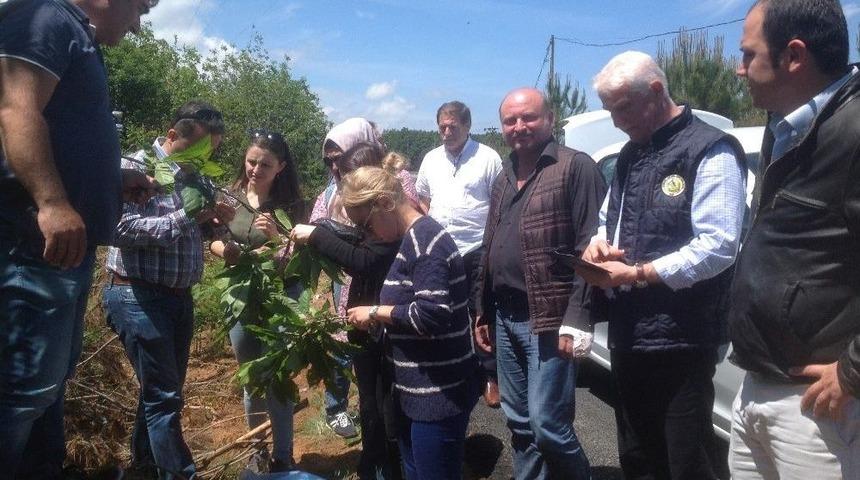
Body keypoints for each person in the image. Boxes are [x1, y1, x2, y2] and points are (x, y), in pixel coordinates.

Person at [0, 0, 159, 476]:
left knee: (48, 387)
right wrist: (51, 202)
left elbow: (67, 137)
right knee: (22, 392)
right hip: (34, 248)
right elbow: (14, 110)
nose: (138, 24)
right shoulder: (45, 17)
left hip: (63, 255)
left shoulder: (77, 36)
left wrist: (113, 180)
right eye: (140, 9)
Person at [581, 51, 747, 480]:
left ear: (655, 92)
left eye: (622, 108)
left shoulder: (709, 149)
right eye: (608, 110)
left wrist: (638, 274)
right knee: (637, 456)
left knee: (685, 462)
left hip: (682, 338)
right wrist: (599, 245)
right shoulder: (631, 155)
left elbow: (719, 245)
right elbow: (607, 219)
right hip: (628, 332)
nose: (615, 120)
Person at [729, 1, 860, 478]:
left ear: (794, 56)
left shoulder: (853, 130)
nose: (737, 67)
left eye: (747, 54)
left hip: (819, 405)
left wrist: (853, 371)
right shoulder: (784, 126)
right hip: (758, 381)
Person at [475, 87, 603, 479]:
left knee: (548, 425)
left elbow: (592, 249)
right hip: (505, 314)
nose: (519, 127)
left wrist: (577, 319)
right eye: (510, 120)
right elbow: (490, 242)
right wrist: (481, 310)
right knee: (519, 425)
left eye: (528, 117)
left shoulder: (575, 167)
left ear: (549, 119)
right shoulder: (505, 173)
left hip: (549, 318)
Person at [103, 101, 234, 480]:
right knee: (164, 398)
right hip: (137, 296)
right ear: (173, 135)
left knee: (161, 395)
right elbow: (120, 230)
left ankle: (144, 468)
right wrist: (187, 215)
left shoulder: (197, 177)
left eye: (211, 151)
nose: (203, 158)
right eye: (198, 150)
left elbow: (201, 231)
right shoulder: (136, 167)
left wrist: (216, 222)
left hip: (177, 298)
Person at [344, 166, 482, 480]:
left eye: (364, 225)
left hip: (438, 395)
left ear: (384, 203)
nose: (367, 235)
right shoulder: (411, 239)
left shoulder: (426, 242)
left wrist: (376, 312)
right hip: (417, 394)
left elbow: (432, 314)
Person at [291, 145, 406, 480]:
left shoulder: (392, 217)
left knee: (386, 404)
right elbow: (353, 239)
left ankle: (391, 465)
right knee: (370, 401)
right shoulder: (371, 218)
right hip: (365, 326)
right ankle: (372, 463)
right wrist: (322, 229)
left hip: (384, 325)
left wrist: (317, 235)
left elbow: (364, 259)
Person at [308, 118, 419, 439]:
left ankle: (396, 453)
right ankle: (376, 453)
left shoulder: (397, 186)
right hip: (356, 297)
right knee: (370, 386)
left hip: (391, 302)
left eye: (338, 158)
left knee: (394, 389)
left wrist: (323, 235)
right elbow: (315, 227)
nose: (334, 166)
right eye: (328, 160)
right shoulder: (331, 192)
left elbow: (372, 253)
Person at [210, 129, 304, 473]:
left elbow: (300, 257)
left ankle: (283, 455)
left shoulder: (291, 204)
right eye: (251, 161)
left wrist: (279, 240)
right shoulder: (229, 197)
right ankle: (257, 449)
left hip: (281, 296)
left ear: (280, 167)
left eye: (265, 164)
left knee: (277, 374)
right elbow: (214, 241)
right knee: (251, 375)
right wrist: (228, 252)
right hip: (241, 293)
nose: (255, 169)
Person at [416, 101, 503, 408]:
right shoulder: (431, 159)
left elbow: (500, 201)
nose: (447, 132)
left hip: (477, 246)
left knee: (480, 311)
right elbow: (422, 200)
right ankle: (451, 371)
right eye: (442, 126)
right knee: (443, 310)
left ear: (467, 126)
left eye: (453, 126)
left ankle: (490, 377)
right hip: (441, 249)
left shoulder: (488, 157)